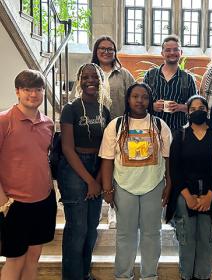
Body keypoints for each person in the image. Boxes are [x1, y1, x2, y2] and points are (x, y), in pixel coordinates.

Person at [99, 82, 172, 280]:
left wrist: (169, 184)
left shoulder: (159, 125)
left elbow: (167, 159)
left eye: (144, 97)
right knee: (125, 235)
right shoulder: (115, 125)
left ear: (149, 101)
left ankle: (149, 275)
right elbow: (107, 159)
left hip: (153, 185)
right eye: (135, 97)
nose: (140, 101)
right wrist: (107, 189)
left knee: (152, 234)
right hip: (123, 186)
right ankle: (123, 275)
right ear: (128, 99)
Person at [0, 69, 57, 280]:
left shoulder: (48, 123)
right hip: (14, 204)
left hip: (43, 200)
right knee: (15, 261)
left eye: (38, 89)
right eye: (27, 89)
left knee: (34, 257)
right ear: (17, 92)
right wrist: (3, 202)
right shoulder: (4, 120)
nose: (33, 94)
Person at [57, 63, 111, 280]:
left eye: (94, 76)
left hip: (97, 166)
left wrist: (97, 178)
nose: (91, 80)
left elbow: (106, 150)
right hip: (73, 169)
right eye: (85, 76)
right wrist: (90, 181)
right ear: (79, 81)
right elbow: (67, 148)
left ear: (100, 79)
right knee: (77, 229)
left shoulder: (104, 110)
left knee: (90, 230)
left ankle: (84, 274)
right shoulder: (70, 108)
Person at [166, 95, 212, 280]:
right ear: (188, 112)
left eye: (202, 107)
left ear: (207, 110)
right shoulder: (179, 135)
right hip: (184, 194)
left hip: (211, 195)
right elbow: (174, 168)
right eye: (193, 108)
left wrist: (210, 195)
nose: (198, 111)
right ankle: (186, 276)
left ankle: (203, 276)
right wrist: (187, 196)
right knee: (186, 240)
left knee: (207, 240)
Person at [91, 35, 135, 228]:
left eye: (110, 49)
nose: (106, 52)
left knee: (116, 167)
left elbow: (134, 98)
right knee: (95, 167)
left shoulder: (123, 74)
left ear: (115, 52)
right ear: (96, 50)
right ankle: (95, 207)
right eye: (102, 48)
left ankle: (113, 209)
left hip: (118, 128)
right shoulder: (88, 71)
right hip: (92, 128)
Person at [143, 34, 197, 132]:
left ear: (180, 52)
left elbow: (195, 107)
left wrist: (180, 107)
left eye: (175, 49)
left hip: (178, 131)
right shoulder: (150, 75)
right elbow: (141, 102)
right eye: (167, 50)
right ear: (162, 53)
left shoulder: (188, 79)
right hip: (153, 129)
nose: (172, 53)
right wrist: (152, 106)